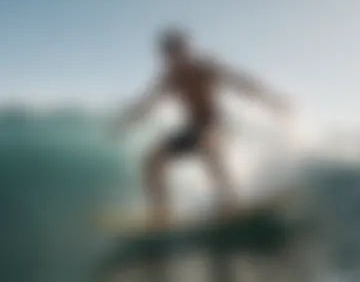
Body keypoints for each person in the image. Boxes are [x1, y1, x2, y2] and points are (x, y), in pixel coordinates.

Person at [113, 28, 292, 227]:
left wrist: (273, 101)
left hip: (218, 126)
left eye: (177, 53)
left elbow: (242, 83)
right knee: (151, 160)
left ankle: (232, 204)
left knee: (208, 145)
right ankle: (161, 214)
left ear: (186, 51)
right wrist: (126, 122)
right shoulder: (170, 80)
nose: (174, 60)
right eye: (169, 56)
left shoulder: (206, 69)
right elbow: (146, 104)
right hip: (193, 129)